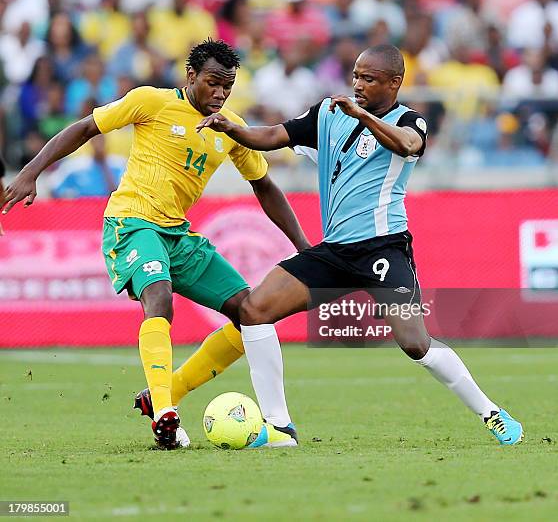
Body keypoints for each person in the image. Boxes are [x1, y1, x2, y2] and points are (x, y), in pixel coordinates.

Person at [196, 44, 524, 448]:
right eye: (356, 75)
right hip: (335, 251)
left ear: (394, 83)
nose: (358, 84)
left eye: (369, 79)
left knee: (415, 343)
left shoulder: (411, 121)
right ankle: (279, 428)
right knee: (254, 310)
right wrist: (234, 129)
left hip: (383, 250)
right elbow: (272, 136)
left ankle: (491, 413)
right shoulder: (329, 113)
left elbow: (407, 145)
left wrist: (364, 117)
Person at [1, 39, 310, 449]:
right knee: (159, 298)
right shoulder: (151, 102)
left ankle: (166, 394)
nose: (219, 93)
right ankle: (166, 414)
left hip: (178, 235)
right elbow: (85, 127)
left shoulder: (230, 128)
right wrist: (30, 172)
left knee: (251, 312)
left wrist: (304, 246)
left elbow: (265, 186)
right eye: (213, 83)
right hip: (132, 222)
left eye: (228, 86)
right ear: (191, 76)